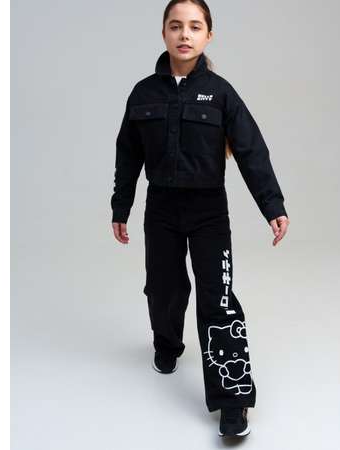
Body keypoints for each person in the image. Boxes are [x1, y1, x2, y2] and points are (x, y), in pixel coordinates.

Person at [110, 0, 290, 438]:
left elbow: (251, 150)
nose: (184, 34)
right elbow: (127, 154)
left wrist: (273, 206)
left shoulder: (222, 93)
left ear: (208, 35)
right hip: (161, 209)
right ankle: (167, 344)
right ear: (164, 34)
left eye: (194, 27)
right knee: (164, 288)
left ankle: (232, 400)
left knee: (218, 298)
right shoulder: (143, 93)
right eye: (176, 26)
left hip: (209, 211)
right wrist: (121, 206)